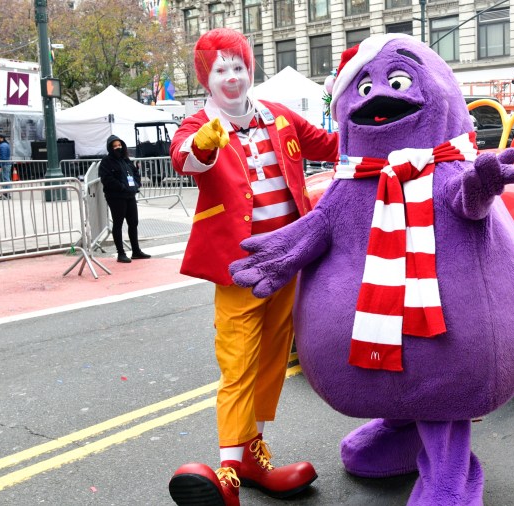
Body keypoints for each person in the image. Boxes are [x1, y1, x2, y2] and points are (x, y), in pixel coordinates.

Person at [166, 28, 338, 506]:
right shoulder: (199, 124)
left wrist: (382, 124)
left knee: (271, 362)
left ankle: (252, 454)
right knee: (238, 363)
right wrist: (204, 144)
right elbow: (185, 159)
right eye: (220, 69)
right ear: (206, 78)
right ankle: (228, 469)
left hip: (288, 258)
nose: (232, 77)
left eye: (238, 66)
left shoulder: (279, 118)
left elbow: (331, 145)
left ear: (250, 70)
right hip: (240, 267)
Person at [98, 135, 151, 263]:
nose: (118, 148)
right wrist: (122, 187)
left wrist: (137, 185)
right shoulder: (106, 162)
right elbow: (107, 179)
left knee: (133, 223)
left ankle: (136, 251)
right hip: (116, 197)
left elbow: (135, 173)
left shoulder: (126, 160)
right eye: (115, 146)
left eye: (119, 145)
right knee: (118, 224)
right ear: (110, 147)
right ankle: (120, 253)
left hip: (130, 195)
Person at [0, 134, 12, 199]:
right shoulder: (3, 145)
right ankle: (6, 193)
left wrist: (0, 165)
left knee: (5, 179)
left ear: (1, 138)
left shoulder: (3, 146)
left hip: (4, 164)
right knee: (5, 178)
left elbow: (3, 157)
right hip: (5, 164)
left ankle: (6, 194)